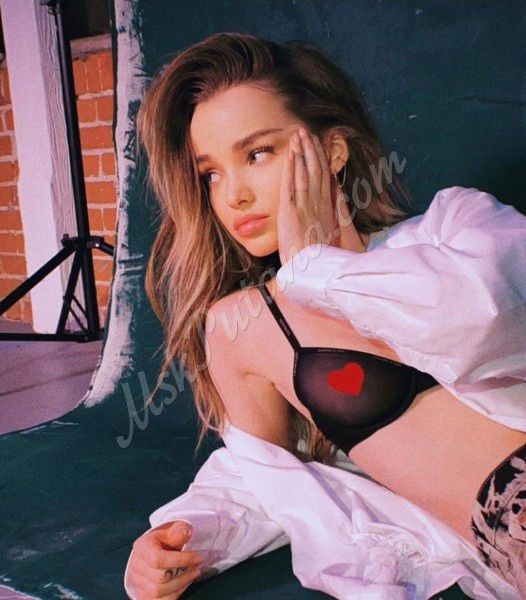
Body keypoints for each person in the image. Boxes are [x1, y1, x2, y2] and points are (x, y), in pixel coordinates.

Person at [124, 31, 526, 599]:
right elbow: (263, 470)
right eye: (211, 173)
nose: (233, 195)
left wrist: (316, 269)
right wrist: (181, 538)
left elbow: (487, 323)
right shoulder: (248, 327)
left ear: (333, 151)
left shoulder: (455, 224)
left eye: (257, 153)